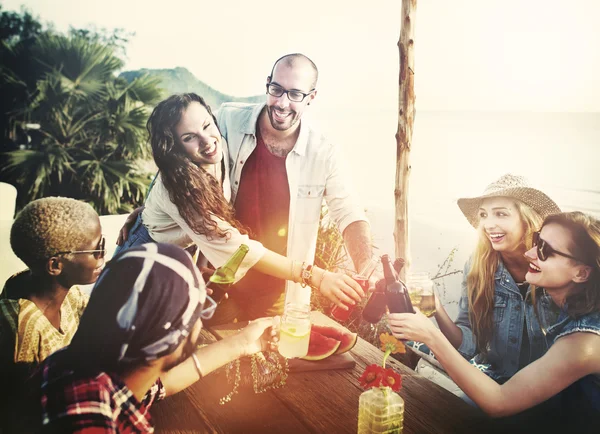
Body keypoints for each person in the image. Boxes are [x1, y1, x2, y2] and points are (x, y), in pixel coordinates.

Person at [116, 90, 366, 323]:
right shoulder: (178, 190)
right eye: (189, 138)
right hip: (145, 257)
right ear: (176, 147)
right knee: (127, 335)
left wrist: (146, 210)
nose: (207, 142)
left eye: (206, 126)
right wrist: (315, 276)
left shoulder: (222, 148)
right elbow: (238, 246)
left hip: (182, 251)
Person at [25, 243, 277, 433]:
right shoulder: (88, 421)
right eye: (197, 312)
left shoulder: (90, 369)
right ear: (173, 341)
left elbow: (162, 384)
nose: (200, 320)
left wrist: (244, 343)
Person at [389, 211, 600, 427]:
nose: (529, 253)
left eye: (545, 250)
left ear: (582, 274)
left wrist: (430, 335)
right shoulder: (563, 301)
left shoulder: (584, 343)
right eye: (537, 240)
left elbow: (498, 402)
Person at [406, 174, 561, 396]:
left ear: (527, 219)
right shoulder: (478, 266)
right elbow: (469, 346)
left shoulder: (556, 265)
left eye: (501, 213)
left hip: (553, 395)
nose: (488, 224)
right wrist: (438, 308)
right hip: (496, 385)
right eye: (483, 215)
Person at [0, 197, 105, 430]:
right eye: (96, 249)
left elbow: (98, 315)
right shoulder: (20, 335)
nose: (103, 256)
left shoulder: (64, 292)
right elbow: (21, 412)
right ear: (55, 265)